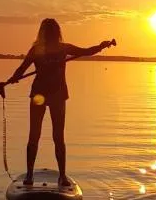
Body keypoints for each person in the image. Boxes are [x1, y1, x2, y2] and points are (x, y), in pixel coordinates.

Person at [8, 18, 114, 186]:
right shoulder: (39, 50)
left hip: (54, 95)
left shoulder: (58, 48)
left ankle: (56, 176)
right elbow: (21, 69)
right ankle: (37, 176)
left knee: (52, 136)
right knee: (41, 136)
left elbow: (86, 52)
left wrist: (102, 46)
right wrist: (13, 79)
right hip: (41, 95)